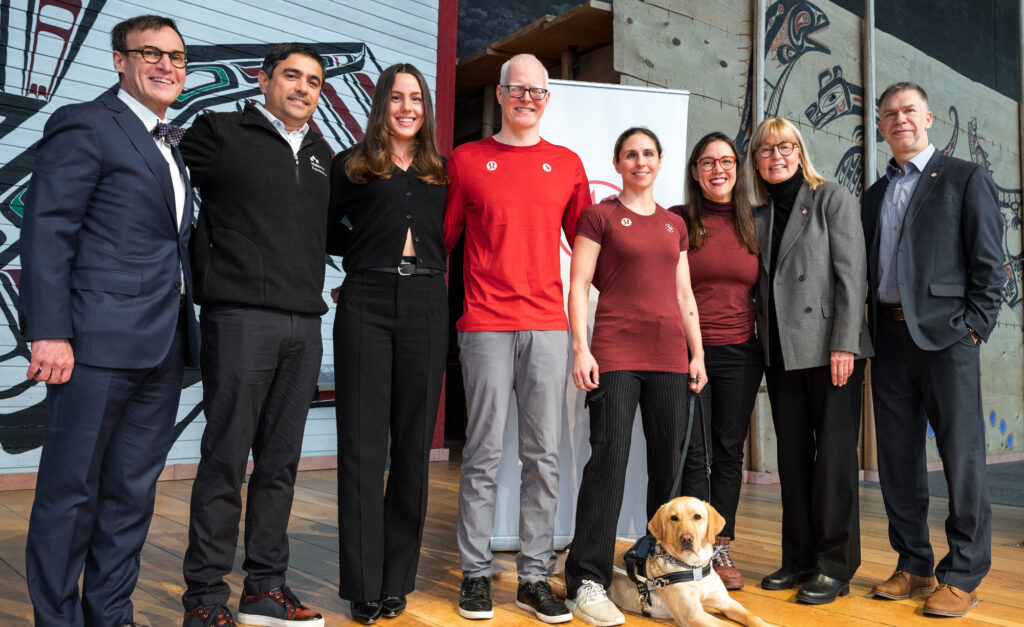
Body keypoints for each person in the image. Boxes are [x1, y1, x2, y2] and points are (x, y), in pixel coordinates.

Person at [18, 14, 200, 626]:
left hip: (163, 346)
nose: (166, 66)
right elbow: (47, 229)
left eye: (176, 57)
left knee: (129, 498)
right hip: (94, 344)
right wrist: (49, 331)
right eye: (150, 53)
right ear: (118, 60)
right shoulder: (87, 125)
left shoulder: (170, 144)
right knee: (69, 496)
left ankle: (110, 616)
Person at [178, 43, 331, 627]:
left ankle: (266, 588)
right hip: (240, 318)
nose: (303, 87)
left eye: (313, 80)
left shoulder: (321, 154)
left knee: (280, 463)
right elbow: (156, 187)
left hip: (304, 323)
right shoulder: (219, 132)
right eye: (291, 75)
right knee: (224, 458)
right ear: (263, 79)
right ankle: (205, 598)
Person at [443, 52, 591, 624]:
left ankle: (534, 576)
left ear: (547, 99)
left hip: (549, 325)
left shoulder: (569, 164)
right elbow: (444, 241)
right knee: (480, 455)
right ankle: (476, 576)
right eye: (517, 88)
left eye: (538, 90)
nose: (527, 97)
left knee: (544, 458)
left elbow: (588, 252)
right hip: (483, 324)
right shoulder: (467, 160)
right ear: (500, 94)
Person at [862, 82, 1003, 617]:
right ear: (879, 126)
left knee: (962, 460)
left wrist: (973, 328)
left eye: (908, 111)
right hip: (890, 340)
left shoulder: (965, 177)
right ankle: (914, 564)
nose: (899, 120)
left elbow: (990, 264)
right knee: (897, 462)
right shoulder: (875, 194)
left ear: (926, 120)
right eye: (888, 114)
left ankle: (963, 573)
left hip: (948, 340)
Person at [563, 127, 707, 626]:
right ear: (618, 162)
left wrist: (698, 354)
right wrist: (581, 348)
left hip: (670, 357)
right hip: (616, 354)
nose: (640, 161)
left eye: (648, 153)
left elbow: (685, 295)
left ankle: (657, 572)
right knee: (610, 464)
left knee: (668, 470)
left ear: (660, 161)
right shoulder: (599, 215)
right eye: (631, 154)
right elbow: (579, 284)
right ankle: (586, 580)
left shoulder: (674, 225)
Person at [328, 63, 449, 625]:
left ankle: (397, 579)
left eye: (416, 98)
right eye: (397, 97)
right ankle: (362, 584)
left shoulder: (441, 174)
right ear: (381, 105)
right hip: (365, 302)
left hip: (427, 302)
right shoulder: (350, 166)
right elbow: (326, 231)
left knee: (411, 452)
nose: (407, 107)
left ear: (425, 109)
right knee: (361, 447)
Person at [748, 117, 873, 604]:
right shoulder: (757, 212)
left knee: (836, 462)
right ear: (755, 159)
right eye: (765, 149)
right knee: (793, 461)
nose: (776, 156)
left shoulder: (831, 199)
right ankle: (797, 558)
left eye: (785, 146)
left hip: (829, 350)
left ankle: (835, 566)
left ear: (800, 151)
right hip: (780, 353)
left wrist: (844, 343)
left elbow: (851, 276)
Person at [669, 132, 762, 590]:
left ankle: (719, 544)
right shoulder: (679, 221)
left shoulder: (754, 223)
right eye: (708, 162)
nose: (718, 169)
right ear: (694, 171)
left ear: (737, 169)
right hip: (688, 352)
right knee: (693, 452)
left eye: (726, 161)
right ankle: (691, 547)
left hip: (743, 354)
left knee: (729, 452)